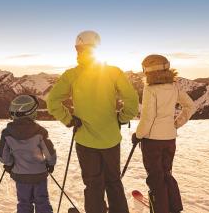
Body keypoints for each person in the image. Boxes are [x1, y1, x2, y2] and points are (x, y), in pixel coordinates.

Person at [47, 30, 139, 213]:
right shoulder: (113, 72)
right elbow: (132, 100)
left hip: (85, 140)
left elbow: (52, 102)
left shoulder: (71, 75)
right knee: (113, 181)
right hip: (111, 139)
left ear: (78, 49)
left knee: (93, 184)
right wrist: (121, 118)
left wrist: (69, 120)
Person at [132, 55, 196, 213]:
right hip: (169, 138)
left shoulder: (150, 89)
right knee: (166, 173)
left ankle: (161, 209)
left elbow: (148, 118)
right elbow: (190, 106)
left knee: (155, 177)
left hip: (152, 141)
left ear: (148, 70)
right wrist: (176, 123)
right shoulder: (173, 87)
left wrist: (138, 135)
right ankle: (174, 208)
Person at [0, 95, 56, 213]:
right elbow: (49, 152)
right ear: (31, 113)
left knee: (24, 202)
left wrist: (10, 164)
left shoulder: (7, 133)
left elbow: (3, 156)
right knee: (42, 201)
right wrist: (50, 164)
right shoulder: (40, 132)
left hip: (20, 175)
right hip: (39, 174)